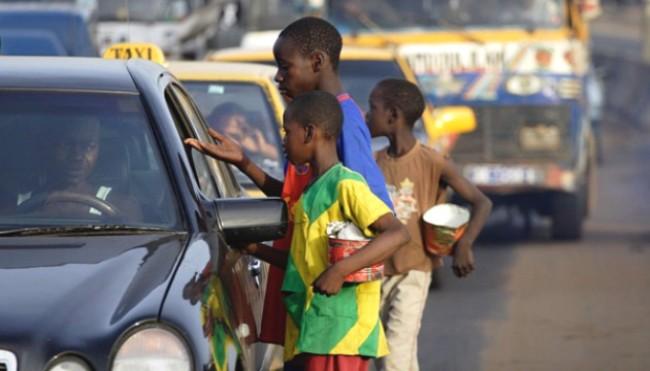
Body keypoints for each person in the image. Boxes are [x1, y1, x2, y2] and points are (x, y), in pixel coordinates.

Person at [185, 16, 393, 350]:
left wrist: (340, 271)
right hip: (313, 303)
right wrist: (244, 163)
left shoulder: (344, 124)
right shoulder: (311, 129)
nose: (279, 77)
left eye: (285, 67)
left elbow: (373, 215)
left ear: (317, 62)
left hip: (334, 317)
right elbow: (302, 200)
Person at [239, 91, 410, 370]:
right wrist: (256, 250)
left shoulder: (346, 184)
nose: (283, 140)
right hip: (312, 327)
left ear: (309, 133)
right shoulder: (310, 190)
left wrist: (340, 270)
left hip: (341, 332)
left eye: (287, 131)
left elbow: (398, 233)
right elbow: (303, 265)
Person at [365, 79, 492, 371]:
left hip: (414, 270)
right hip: (376, 270)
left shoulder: (433, 161)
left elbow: (481, 202)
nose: (366, 114)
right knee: (391, 351)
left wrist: (465, 243)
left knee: (395, 353)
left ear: (393, 115)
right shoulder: (373, 162)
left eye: (373, 108)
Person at [16, 117, 141, 221]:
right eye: (66, 145)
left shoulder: (122, 207)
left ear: (98, 150)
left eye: (88, 147)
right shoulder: (14, 208)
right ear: (49, 148)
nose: (77, 156)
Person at [207, 102, 278, 160]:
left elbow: (282, 158)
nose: (239, 124)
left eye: (242, 122)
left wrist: (262, 148)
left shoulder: (250, 142)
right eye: (233, 117)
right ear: (215, 121)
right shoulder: (207, 139)